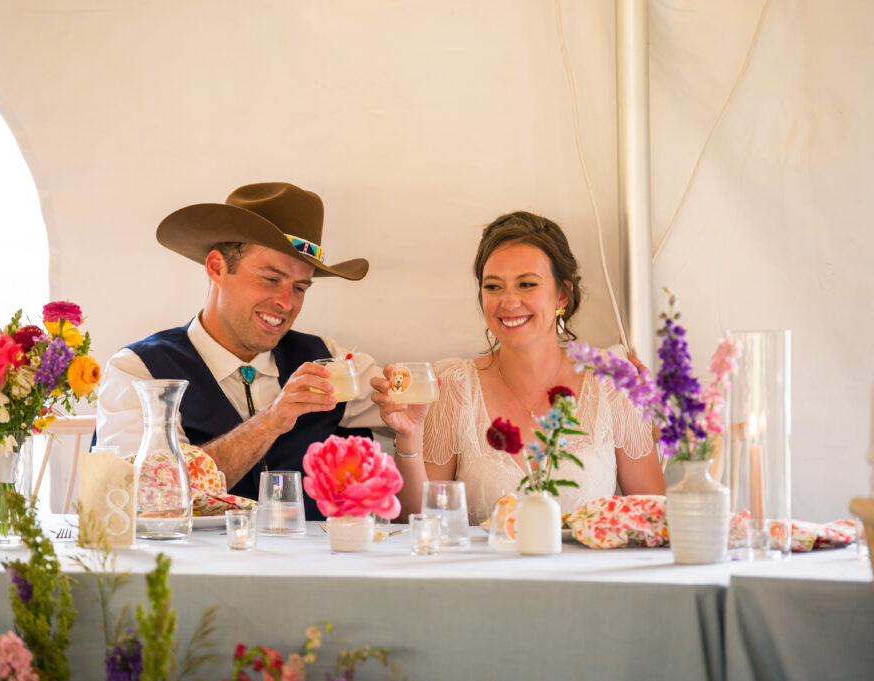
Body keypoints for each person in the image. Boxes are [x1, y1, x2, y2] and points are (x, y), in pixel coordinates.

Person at [96, 182, 385, 520]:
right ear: (217, 267)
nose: (287, 303)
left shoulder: (328, 359)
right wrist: (269, 422)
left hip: (313, 569)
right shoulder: (138, 372)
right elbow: (145, 499)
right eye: (270, 278)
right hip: (190, 571)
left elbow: (410, 398)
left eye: (300, 287)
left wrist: (408, 411)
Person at [372, 211, 666, 524]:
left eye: (526, 284)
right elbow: (415, 523)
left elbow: (654, 517)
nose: (508, 302)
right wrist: (409, 437)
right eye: (493, 287)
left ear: (562, 295)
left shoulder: (612, 381)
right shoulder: (456, 387)